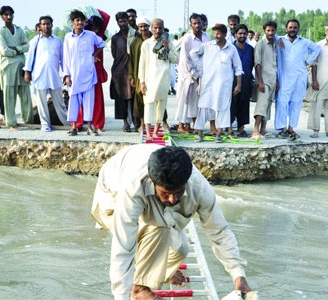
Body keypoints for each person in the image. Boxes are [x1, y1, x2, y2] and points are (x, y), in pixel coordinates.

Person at [91, 144, 255, 300]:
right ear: (152, 180)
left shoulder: (199, 187)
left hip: (143, 174)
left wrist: (239, 275)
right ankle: (139, 288)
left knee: (181, 248)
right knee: (159, 227)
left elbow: (218, 231)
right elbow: (123, 247)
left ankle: (158, 272)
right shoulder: (133, 188)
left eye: (178, 192)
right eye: (166, 193)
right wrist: (121, 296)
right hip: (111, 191)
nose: (173, 199)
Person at [191, 23, 242, 143]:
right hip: (208, 83)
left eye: (219, 33)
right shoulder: (207, 46)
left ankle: (219, 134)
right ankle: (199, 133)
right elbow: (193, 54)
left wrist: (238, 84)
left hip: (224, 85)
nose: (216, 35)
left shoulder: (231, 49)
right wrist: (201, 67)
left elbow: (238, 68)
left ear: (224, 34)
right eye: (215, 33)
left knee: (223, 108)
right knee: (203, 106)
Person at [275, 19, 320, 141]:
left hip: (300, 77)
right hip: (284, 77)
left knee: (296, 103)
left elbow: (317, 49)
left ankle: (291, 128)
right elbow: (267, 35)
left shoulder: (304, 42)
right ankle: (282, 128)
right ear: (286, 29)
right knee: (282, 102)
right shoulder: (280, 39)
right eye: (290, 27)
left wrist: (308, 61)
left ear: (298, 29)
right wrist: (278, 39)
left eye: (295, 27)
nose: (292, 29)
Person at [63, 9, 105, 136]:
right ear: (72, 22)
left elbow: (102, 44)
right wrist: (66, 75)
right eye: (77, 20)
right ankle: (74, 126)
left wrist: (94, 54)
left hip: (88, 74)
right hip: (74, 75)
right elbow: (66, 57)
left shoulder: (90, 35)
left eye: (81, 20)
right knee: (74, 101)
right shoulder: (68, 37)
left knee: (89, 102)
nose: (80, 22)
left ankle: (89, 127)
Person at [24, 15, 68, 132]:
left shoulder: (58, 41)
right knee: (41, 102)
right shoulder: (35, 41)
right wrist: (27, 72)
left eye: (48, 24)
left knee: (60, 102)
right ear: (40, 26)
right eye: (43, 24)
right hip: (39, 75)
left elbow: (63, 59)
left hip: (54, 75)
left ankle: (66, 122)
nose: (46, 26)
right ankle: (45, 124)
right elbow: (30, 58)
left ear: (51, 25)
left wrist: (66, 74)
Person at [138, 18, 179, 141]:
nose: (157, 30)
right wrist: (142, 82)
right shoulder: (146, 44)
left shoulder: (168, 42)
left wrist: (167, 49)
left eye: (160, 28)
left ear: (163, 28)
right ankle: (148, 133)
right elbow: (142, 64)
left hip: (163, 79)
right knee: (149, 105)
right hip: (150, 79)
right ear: (151, 28)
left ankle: (156, 131)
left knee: (161, 106)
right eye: (155, 28)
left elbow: (175, 59)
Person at [0, 5, 34, 130]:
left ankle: (29, 121)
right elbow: (4, 51)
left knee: (25, 95)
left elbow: (27, 46)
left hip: (22, 66)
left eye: (10, 14)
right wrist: (19, 49)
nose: (8, 16)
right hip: (8, 67)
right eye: (6, 14)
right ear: (2, 17)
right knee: (9, 97)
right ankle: (11, 124)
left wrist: (16, 48)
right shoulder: (1, 32)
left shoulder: (19, 30)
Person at [175, 13, 210, 134]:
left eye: (199, 23)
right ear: (191, 25)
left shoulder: (207, 37)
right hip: (188, 75)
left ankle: (194, 126)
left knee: (197, 102)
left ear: (202, 23)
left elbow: (209, 56)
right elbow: (186, 60)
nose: (197, 25)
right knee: (185, 101)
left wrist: (203, 75)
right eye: (194, 23)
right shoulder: (187, 39)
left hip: (203, 74)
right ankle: (181, 125)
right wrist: (195, 76)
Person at [75, 12, 110, 132]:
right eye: (93, 28)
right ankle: (79, 123)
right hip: (82, 72)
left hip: (97, 72)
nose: (95, 30)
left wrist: (91, 11)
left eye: (97, 28)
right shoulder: (84, 35)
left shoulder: (98, 36)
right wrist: (84, 17)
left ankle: (98, 125)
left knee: (98, 101)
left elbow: (106, 17)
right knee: (79, 99)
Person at [251, 21, 278, 140]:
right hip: (263, 80)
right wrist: (260, 82)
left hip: (272, 79)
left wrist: (276, 81)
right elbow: (257, 64)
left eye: (272, 30)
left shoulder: (276, 44)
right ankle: (255, 130)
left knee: (268, 105)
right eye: (268, 30)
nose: (270, 33)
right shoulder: (260, 45)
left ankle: (263, 129)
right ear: (264, 31)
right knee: (261, 105)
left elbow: (275, 64)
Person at [228, 24, 254, 137]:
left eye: (244, 33)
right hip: (232, 81)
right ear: (235, 35)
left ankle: (241, 129)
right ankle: (229, 129)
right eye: (240, 33)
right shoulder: (230, 48)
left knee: (244, 104)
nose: (242, 35)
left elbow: (253, 64)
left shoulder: (251, 49)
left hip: (246, 80)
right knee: (232, 104)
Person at [110, 12, 134, 132]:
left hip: (132, 71)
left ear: (128, 21)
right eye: (120, 21)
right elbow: (115, 54)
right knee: (122, 99)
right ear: (118, 23)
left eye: (124, 21)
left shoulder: (135, 35)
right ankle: (126, 123)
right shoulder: (115, 38)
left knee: (134, 98)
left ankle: (137, 123)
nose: (123, 23)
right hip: (119, 71)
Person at [129, 16, 152, 132]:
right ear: (138, 27)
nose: (143, 29)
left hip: (153, 74)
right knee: (139, 98)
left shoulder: (154, 40)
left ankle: (162, 123)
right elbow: (131, 61)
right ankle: (142, 124)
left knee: (156, 98)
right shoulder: (134, 42)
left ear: (149, 27)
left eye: (145, 26)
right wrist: (131, 77)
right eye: (140, 26)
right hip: (139, 75)